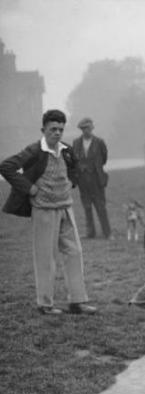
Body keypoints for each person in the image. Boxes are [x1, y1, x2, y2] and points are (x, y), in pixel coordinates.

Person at [0, 109, 97, 315]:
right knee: (45, 257)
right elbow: (6, 166)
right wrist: (29, 188)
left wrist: (72, 181)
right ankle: (45, 304)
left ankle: (77, 302)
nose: (57, 133)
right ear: (43, 129)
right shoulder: (34, 150)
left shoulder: (67, 150)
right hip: (43, 210)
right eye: (53, 129)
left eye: (61, 129)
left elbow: (75, 168)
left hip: (65, 208)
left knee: (75, 252)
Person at [71, 117, 111, 239]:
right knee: (87, 206)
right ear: (81, 130)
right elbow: (74, 159)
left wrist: (95, 168)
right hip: (82, 180)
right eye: (83, 129)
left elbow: (104, 158)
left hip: (97, 179)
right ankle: (90, 233)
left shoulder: (99, 142)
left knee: (101, 206)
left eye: (88, 128)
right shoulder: (76, 142)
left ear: (92, 128)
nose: (86, 131)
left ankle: (107, 233)